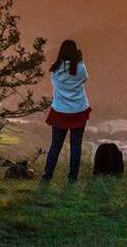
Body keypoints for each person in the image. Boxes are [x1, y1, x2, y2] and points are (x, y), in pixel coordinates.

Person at [42, 40, 91, 183]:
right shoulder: (80, 68)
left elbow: (55, 84)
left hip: (60, 110)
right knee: (76, 145)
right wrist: (80, 60)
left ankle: (47, 175)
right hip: (78, 110)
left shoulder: (55, 69)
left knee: (55, 145)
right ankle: (72, 177)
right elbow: (84, 80)